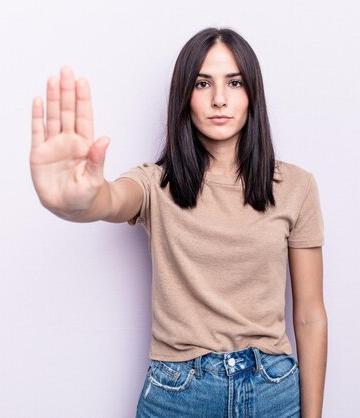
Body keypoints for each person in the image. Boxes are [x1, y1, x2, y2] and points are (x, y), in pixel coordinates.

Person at [30, 27, 327, 418]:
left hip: (271, 389)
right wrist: (79, 201)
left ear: (252, 92)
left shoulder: (296, 186)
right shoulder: (155, 183)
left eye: (234, 82)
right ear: (184, 95)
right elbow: (111, 199)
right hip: (179, 393)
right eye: (203, 83)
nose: (219, 99)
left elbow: (309, 314)